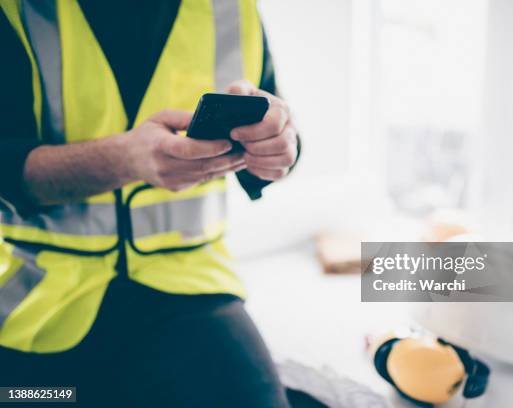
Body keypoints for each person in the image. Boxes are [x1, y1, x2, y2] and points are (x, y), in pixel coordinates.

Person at [0, 0, 299, 406]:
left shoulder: (233, 9)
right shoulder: (17, 12)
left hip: (193, 288)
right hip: (42, 306)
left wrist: (280, 146)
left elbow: (278, 142)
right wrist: (125, 159)